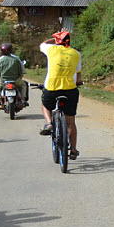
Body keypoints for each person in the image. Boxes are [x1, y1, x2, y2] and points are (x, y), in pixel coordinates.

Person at [39, 29, 82, 160]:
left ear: (57, 41)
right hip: (70, 90)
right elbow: (79, 76)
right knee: (71, 122)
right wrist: (78, 82)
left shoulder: (51, 49)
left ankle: (49, 123)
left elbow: (43, 43)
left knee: (45, 105)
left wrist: (55, 38)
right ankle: (73, 150)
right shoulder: (76, 54)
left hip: (52, 88)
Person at [0, 43, 28, 110]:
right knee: (23, 85)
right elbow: (21, 69)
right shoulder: (16, 58)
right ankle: (23, 100)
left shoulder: (0, 60)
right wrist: (21, 75)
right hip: (15, 80)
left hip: (3, 80)